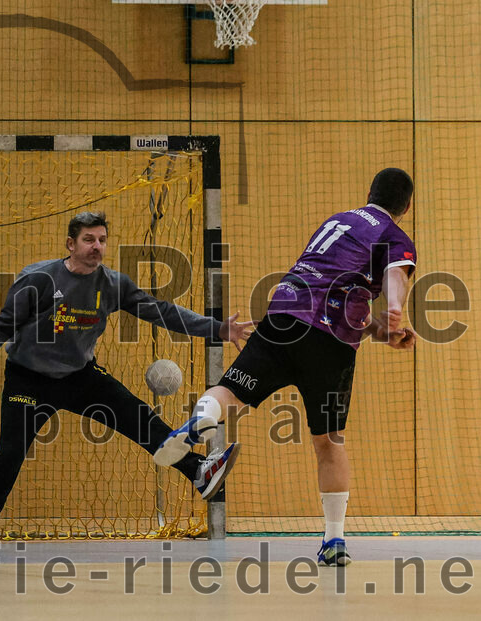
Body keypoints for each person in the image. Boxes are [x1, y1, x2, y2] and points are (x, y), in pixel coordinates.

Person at [0, 211, 253, 552]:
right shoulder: (38, 279)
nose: (97, 246)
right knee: (10, 452)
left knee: (138, 417)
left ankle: (199, 472)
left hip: (79, 376)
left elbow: (162, 312)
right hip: (28, 380)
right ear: (70, 244)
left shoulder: (113, 284)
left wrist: (216, 328)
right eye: (88, 240)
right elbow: (2, 325)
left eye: (102, 240)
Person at [157, 168, 419, 566]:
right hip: (330, 344)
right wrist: (397, 308)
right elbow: (394, 275)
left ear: (369, 192)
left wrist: (383, 331)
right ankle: (334, 541)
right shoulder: (394, 236)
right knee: (329, 442)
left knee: (230, 390)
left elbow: (339, 296)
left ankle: (196, 424)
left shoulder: (337, 220)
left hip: (283, 314)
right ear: (407, 207)